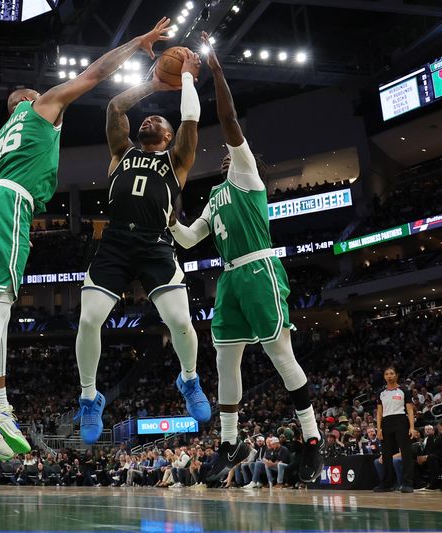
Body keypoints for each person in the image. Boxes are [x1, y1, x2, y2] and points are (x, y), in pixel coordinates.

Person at [0, 17, 173, 459]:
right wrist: (138, 41)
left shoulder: (3, 136)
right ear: (31, 101)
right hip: (10, 202)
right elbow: (95, 73)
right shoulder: (42, 106)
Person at [167, 32, 322, 484]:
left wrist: (215, 72)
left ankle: (312, 440)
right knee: (224, 362)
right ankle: (230, 443)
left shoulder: (248, 179)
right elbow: (190, 237)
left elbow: (229, 118)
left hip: (258, 269)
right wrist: (166, 214)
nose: (223, 155)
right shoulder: (215, 198)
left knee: (280, 353)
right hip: (229, 279)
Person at [74, 46, 209, 445]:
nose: (148, 119)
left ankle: (188, 380)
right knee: (87, 320)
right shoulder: (122, 152)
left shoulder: (178, 160)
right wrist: (151, 84)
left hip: (154, 244)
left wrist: (185, 78)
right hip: (115, 241)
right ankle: (88, 397)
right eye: (146, 118)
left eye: (157, 120)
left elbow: (190, 118)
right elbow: (115, 107)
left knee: (181, 322)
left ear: (168, 137)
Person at [374, 366, 415, 493]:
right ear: (384, 376)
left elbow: (409, 410)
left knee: (406, 453)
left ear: (396, 375)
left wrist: (412, 427)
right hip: (386, 422)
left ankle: (407, 484)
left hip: (401, 421)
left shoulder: (404, 390)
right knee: (386, 454)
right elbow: (379, 412)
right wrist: (379, 428)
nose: (389, 376)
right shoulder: (381, 392)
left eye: (392, 373)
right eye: (387, 374)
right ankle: (387, 484)